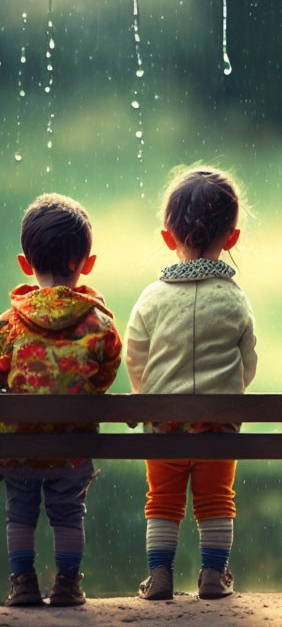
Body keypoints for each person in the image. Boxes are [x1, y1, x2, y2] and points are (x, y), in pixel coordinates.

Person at [126, 166, 257, 601]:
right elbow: (247, 359)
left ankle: (160, 575)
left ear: (168, 236)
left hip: (164, 428)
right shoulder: (235, 299)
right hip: (219, 430)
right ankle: (213, 576)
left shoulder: (152, 298)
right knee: (217, 500)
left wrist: (144, 394)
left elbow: (136, 354)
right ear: (232, 237)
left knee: (162, 500)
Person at [0, 194, 122, 607]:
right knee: (68, 513)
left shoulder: (8, 325)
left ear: (24, 264)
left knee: (20, 513)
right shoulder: (99, 322)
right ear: (86, 264)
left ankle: (24, 584)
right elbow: (105, 375)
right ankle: (68, 584)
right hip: (72, 450)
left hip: (18, 451)